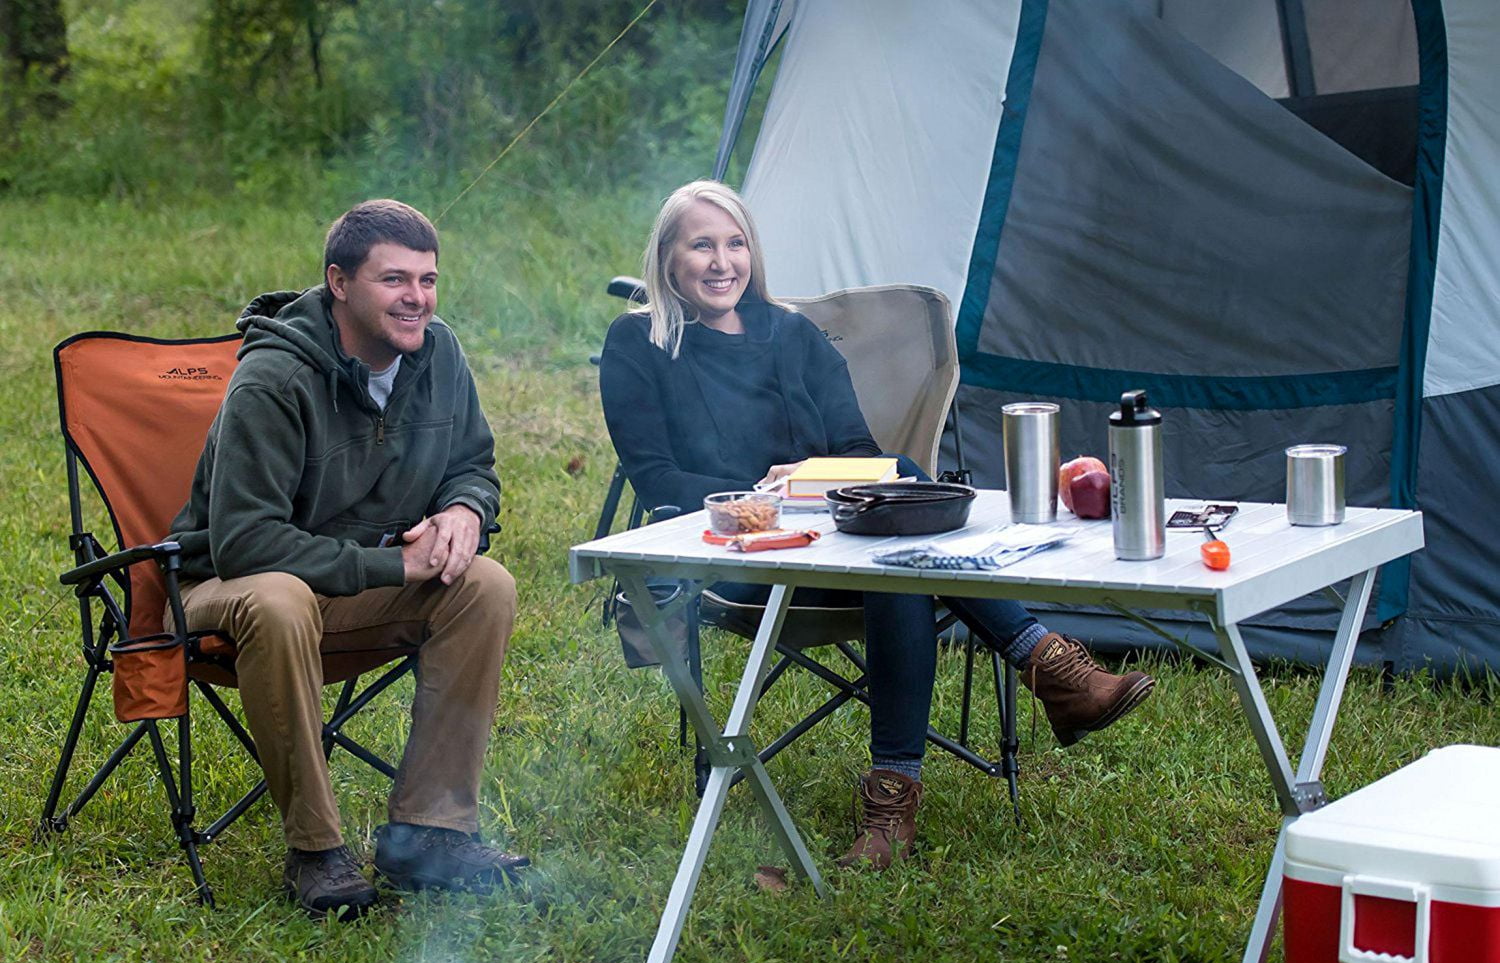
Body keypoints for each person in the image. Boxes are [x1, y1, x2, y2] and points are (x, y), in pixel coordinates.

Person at [599, 180, 1156, 871]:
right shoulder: (639, 343)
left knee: (895, 514)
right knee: (900, 553)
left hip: (838, 536)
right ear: (669, 259)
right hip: (740, 558)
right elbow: (656, 480)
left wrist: (812, 483)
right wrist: (756, 500)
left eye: (735, 243)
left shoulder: (794, 335)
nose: (722, 262)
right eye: (701, 245)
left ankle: (895, 803)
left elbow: (859, 456)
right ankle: (1051, 670)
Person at [167, 199, 527, 919]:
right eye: (394, 280)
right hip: (224, 592)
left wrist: (464, 510)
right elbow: (245, 544)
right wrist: (394, 568)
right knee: (278, 596)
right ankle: (316, 851)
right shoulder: (275, 377)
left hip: (343, 593)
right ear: (339, 283)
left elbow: (473, 465)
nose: (416, 299)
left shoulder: (440, 355)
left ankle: (430, 833)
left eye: (427, 280)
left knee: (484, 584)